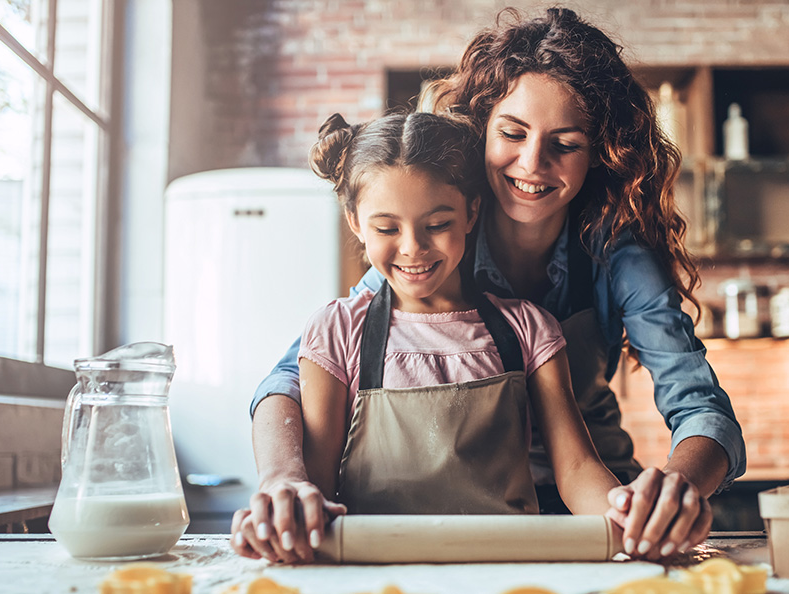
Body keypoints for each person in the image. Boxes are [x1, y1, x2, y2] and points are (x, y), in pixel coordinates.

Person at [236, 7, 746, 564]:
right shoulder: (434, 243)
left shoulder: (614, 254)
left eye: (566, 144)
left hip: (592, 514)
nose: (533, 162)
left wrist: (673, 490)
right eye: (512, 133)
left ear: (600, 151)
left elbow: (699, 405)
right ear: (481, 130)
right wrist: (284, 480)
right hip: (444, 521)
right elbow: (293, 378)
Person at [232, 110, 622, 562]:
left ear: (471, 212)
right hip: (371, 575)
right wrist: (288, 515)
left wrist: (625, 515)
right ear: (355, 220)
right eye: (386, 228)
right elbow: (314, 482)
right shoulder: (336, 330)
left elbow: (577, 469)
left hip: (504, 571)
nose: (412, 247)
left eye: (436, 224)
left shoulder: (529, 329)